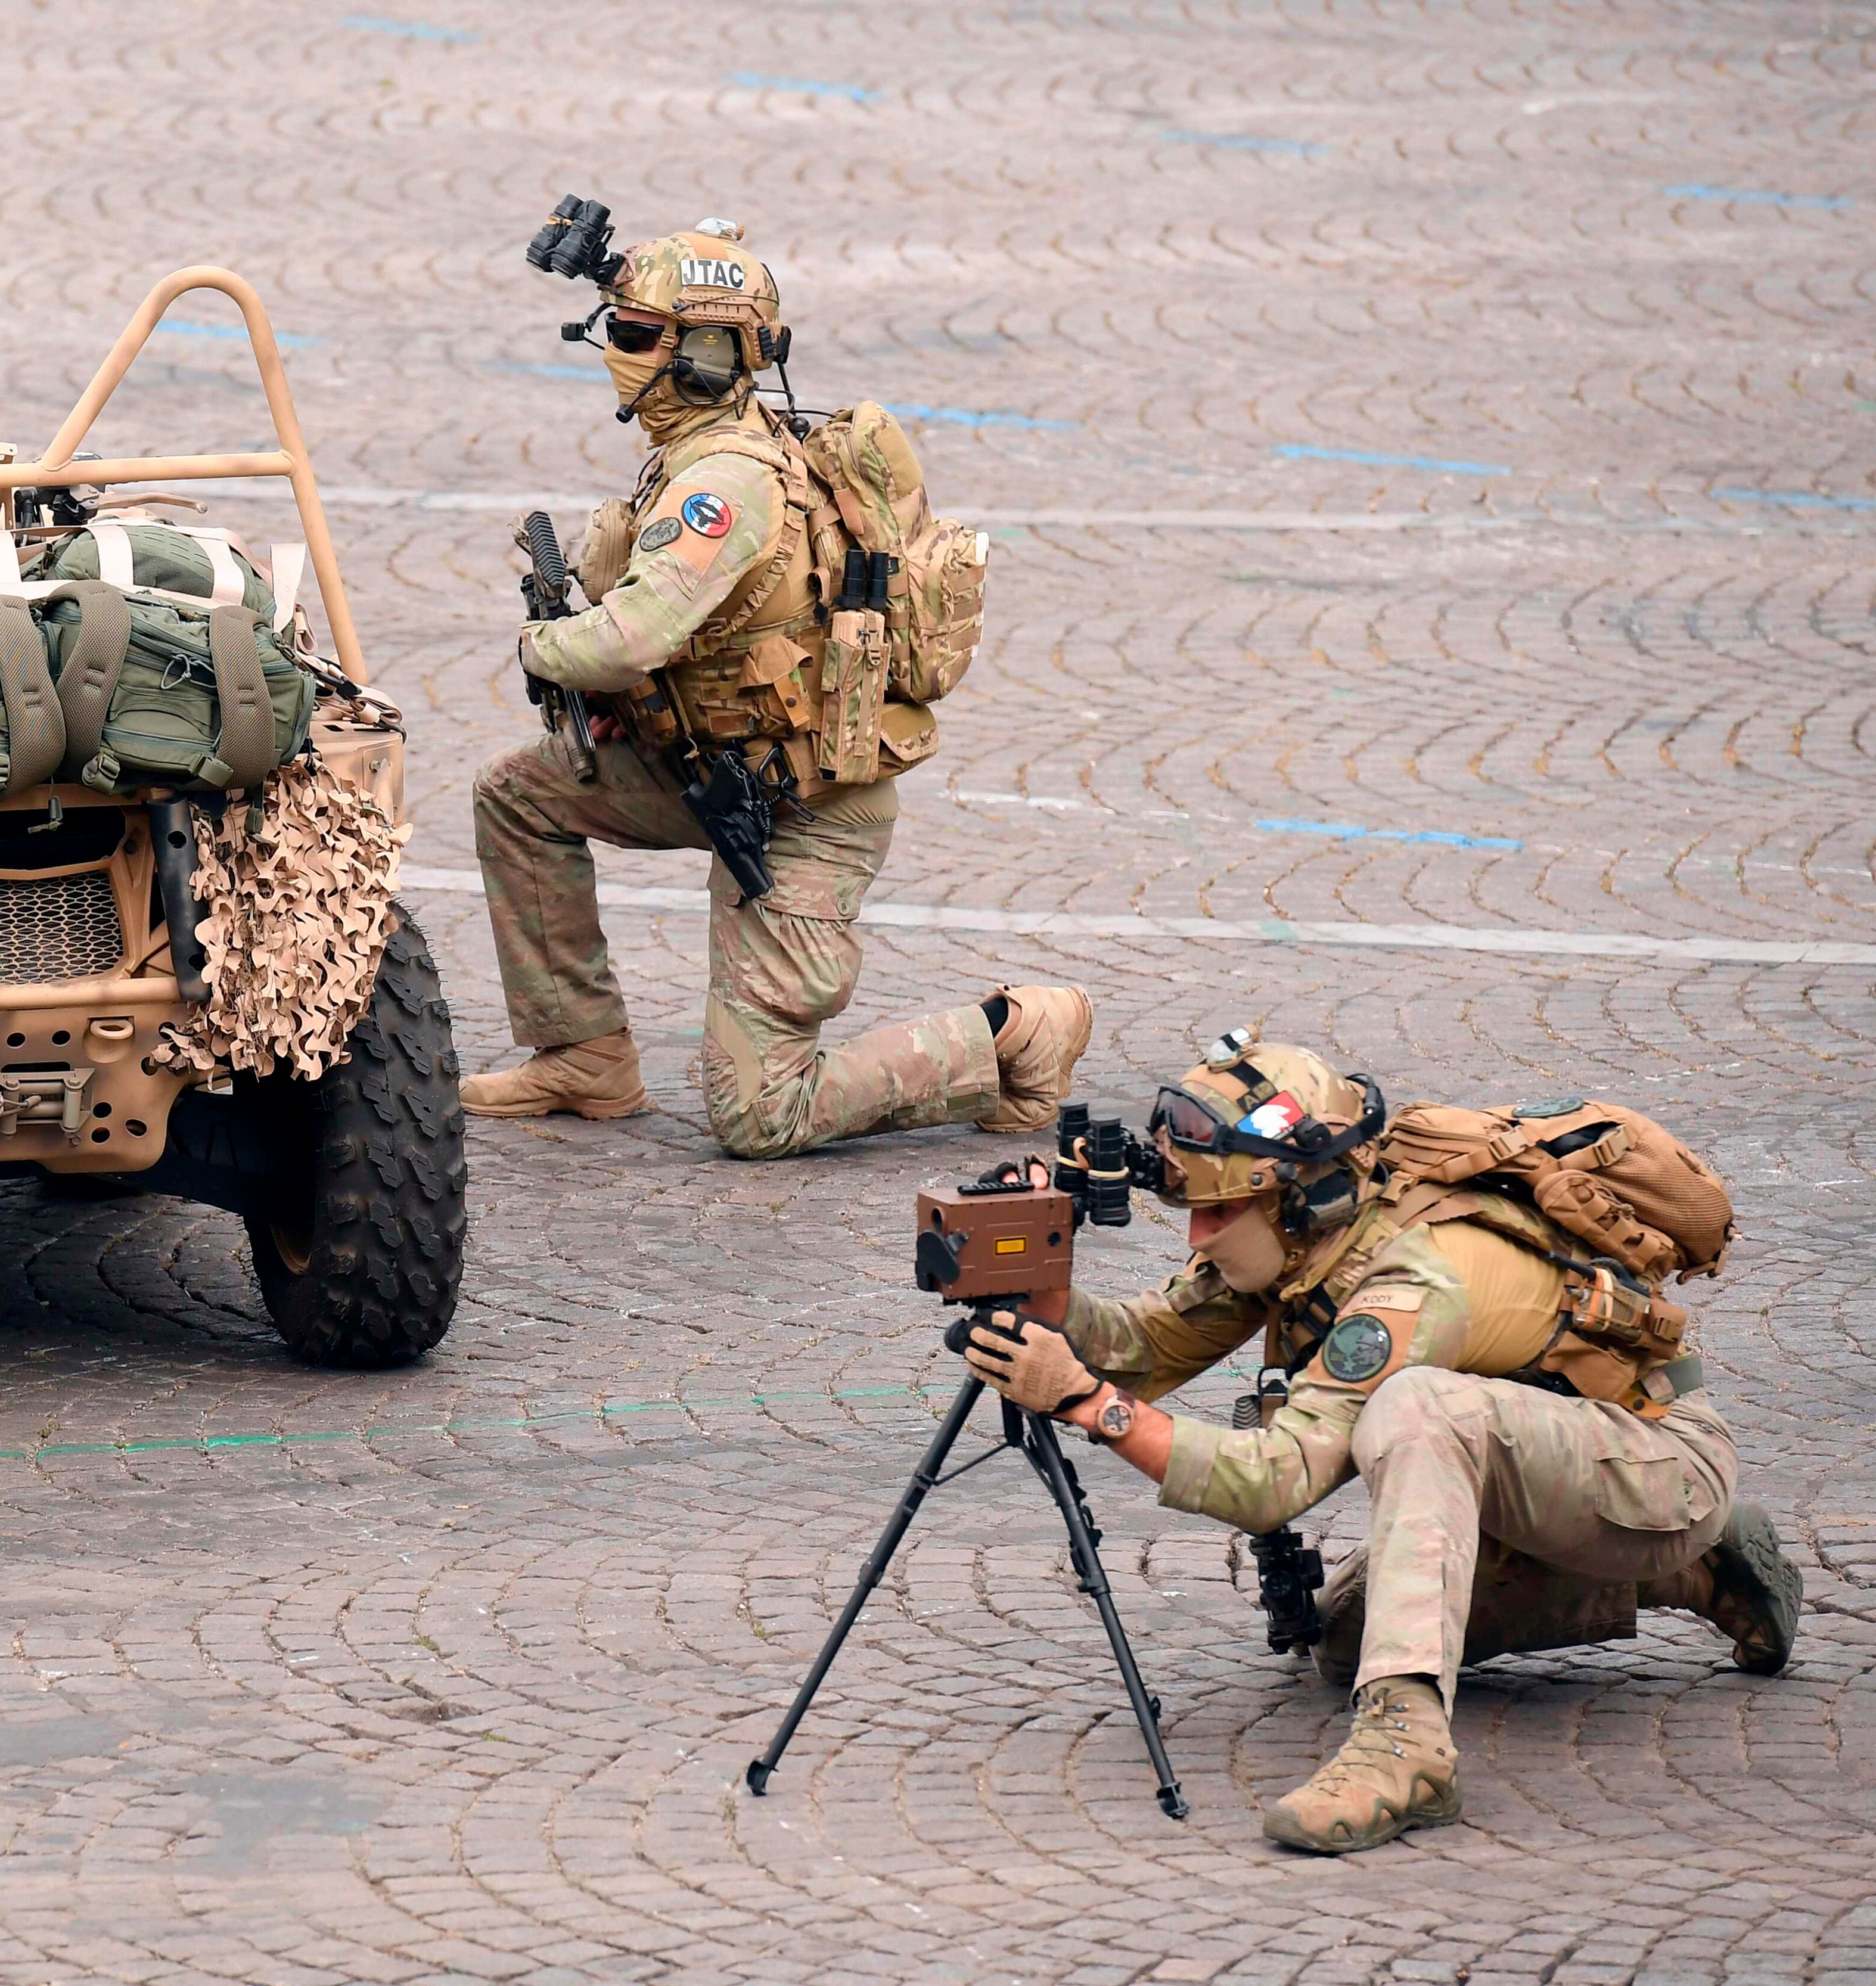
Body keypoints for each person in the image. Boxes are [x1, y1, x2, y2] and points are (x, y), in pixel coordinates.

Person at [960, 1033, 1804, 1854]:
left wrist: (1091, 1405)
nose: (1196, 1236)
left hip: (1656, 1468)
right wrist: (1042, 1281)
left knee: (1415, 1408)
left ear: (1290, 1194)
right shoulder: (1315, 1228)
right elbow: (1145, 1348)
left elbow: (1274, 1479)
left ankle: (1407, 1750)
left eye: (1216, 1213)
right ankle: (1699, 1572)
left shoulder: (1412, 1280)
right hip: (1546, 1470)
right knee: (1343, 1642)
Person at [464, 215, 1091, 1158]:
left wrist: (539, 643)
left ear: (704, 358)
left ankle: (1013, 1035)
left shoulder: (726, 484)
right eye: (618, 331)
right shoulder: (701, 446)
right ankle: (584, 1054)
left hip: (808, 808)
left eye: (636, 335)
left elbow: (628, 639)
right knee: (520, 795)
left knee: (761, 1115)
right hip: (717, 767)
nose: (617, 354)